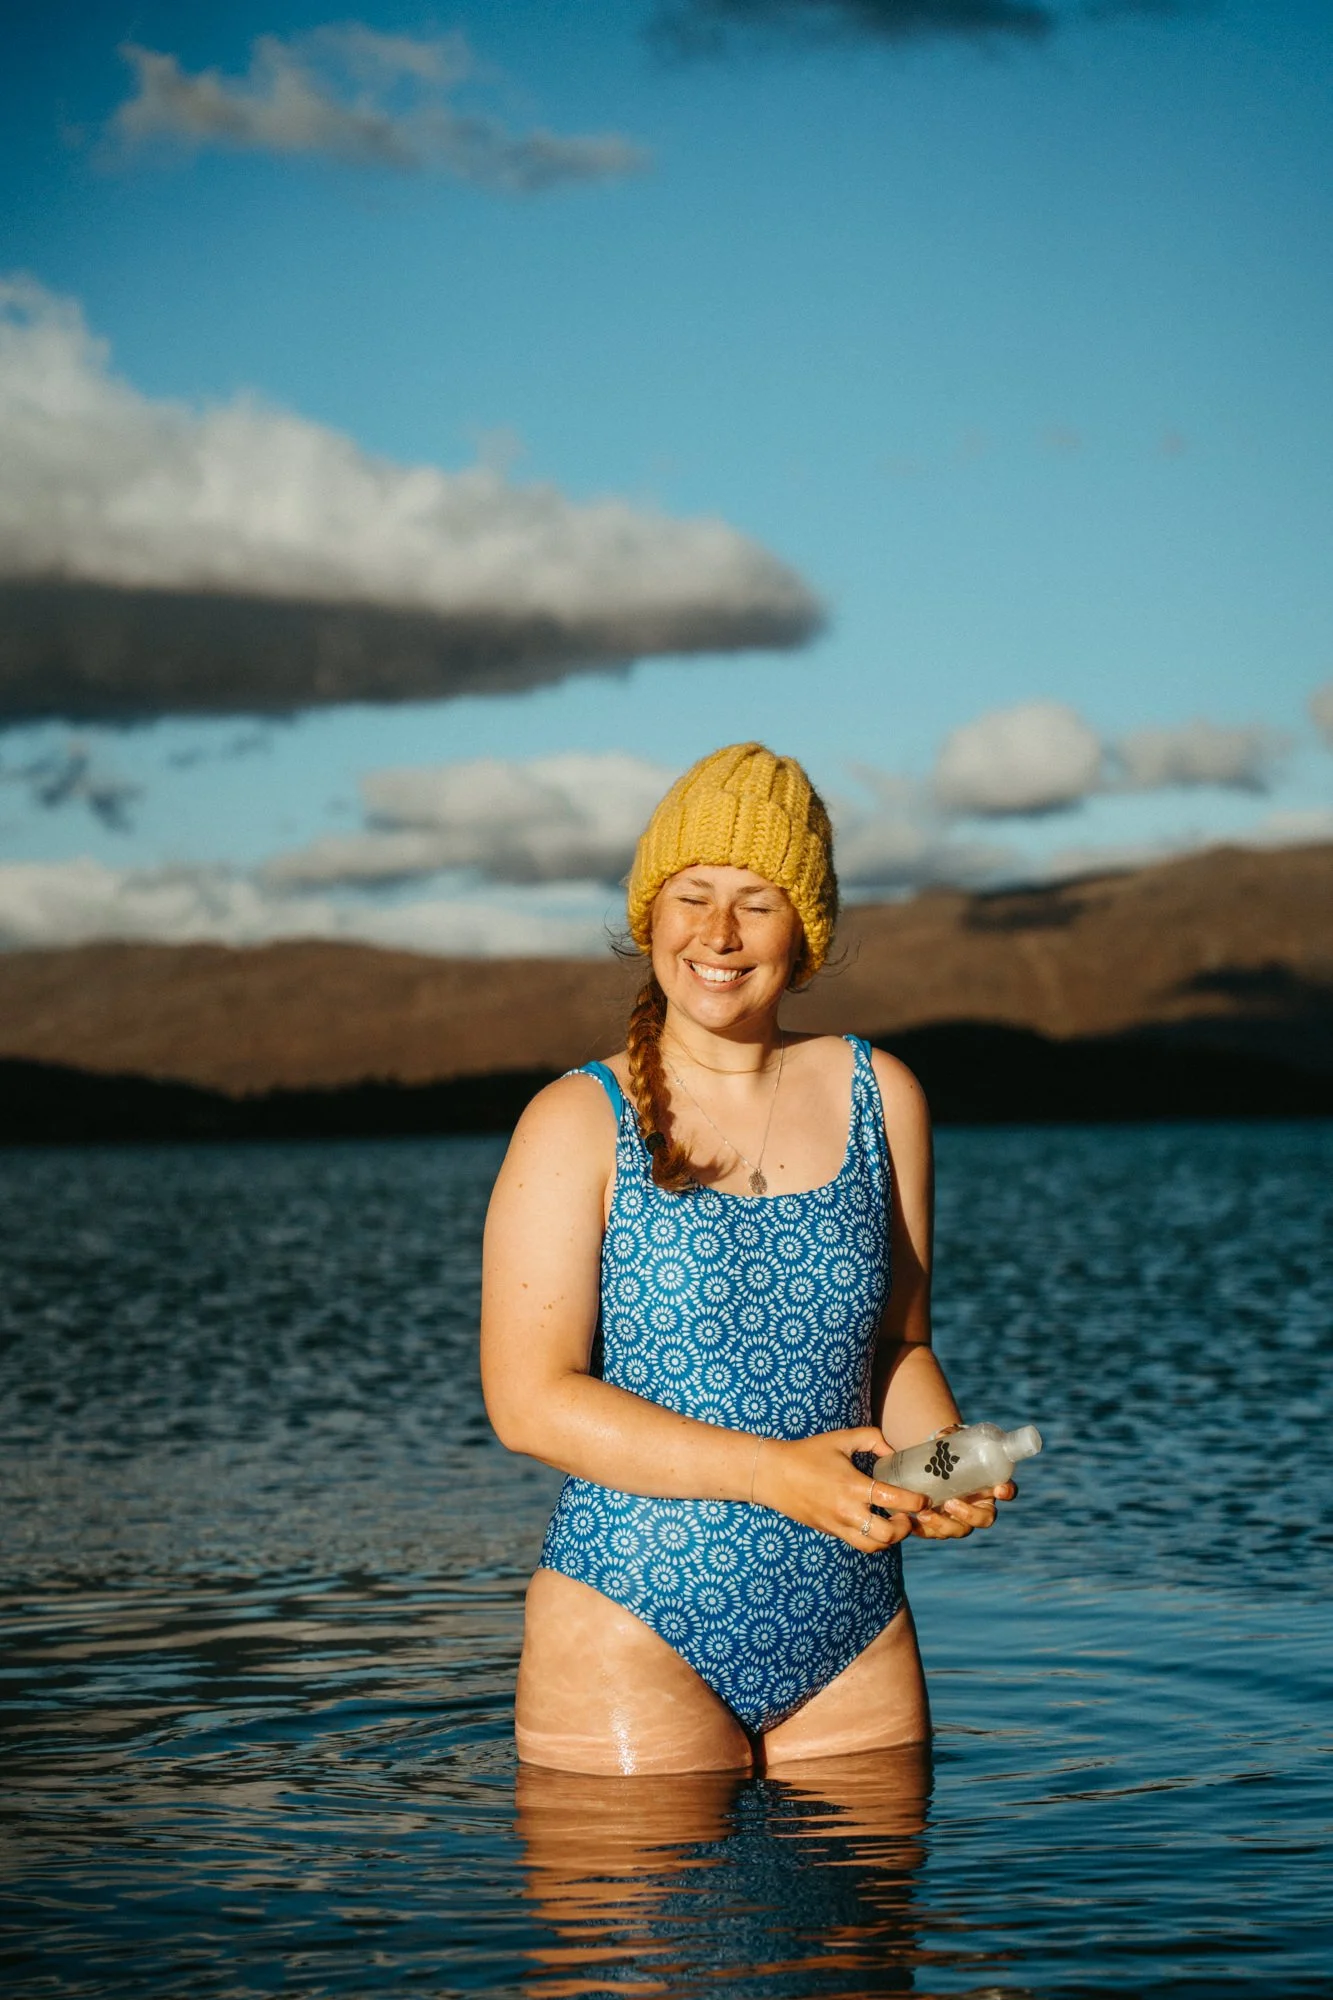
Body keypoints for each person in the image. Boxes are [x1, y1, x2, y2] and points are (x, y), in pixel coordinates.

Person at [481, 743, 1015, 1776]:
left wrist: (940, 1454)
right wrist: (774, 1472)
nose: (717, 934)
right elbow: (526, 1398)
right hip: (631, 1615)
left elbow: (899, 1342)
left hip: (854, 1623)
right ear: (650, 915)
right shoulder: (576, 1118)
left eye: (756, 901)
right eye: (692, 895)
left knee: (864, 1944)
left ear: (804, 931)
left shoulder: (880, 1095)